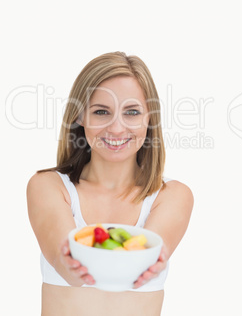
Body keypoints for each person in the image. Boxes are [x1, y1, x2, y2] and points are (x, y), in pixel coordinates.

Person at [27, 51, 194, 316]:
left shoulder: (172, 195)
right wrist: (69, 263)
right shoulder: (49, 186)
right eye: (102, 111)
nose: (117, 129)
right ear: (80, 117)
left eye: (132, 112)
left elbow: (147, 256)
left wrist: (153, 260)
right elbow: (67, 268)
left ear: (149, 119)